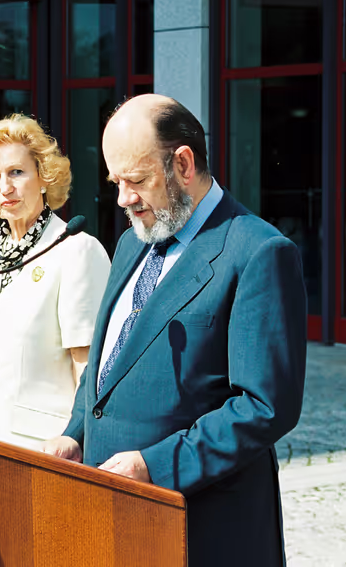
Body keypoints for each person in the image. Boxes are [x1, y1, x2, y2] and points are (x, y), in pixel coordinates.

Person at [42, 94, 307, 566]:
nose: (122, 198)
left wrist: (154, 465)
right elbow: (111, 363)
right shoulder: (130, 242)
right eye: (115, 181)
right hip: (115, 517)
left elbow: (266, 407)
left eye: (137, 180)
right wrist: (76, 433)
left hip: (200, 527)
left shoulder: (258, 251)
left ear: (183, 163)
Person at [0, 115, 110, 449]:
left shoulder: (75, 250)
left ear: (43, 177)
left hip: (43, 449)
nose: (5, 187)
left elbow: (89, 368)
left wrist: (78, 439)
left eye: (16, 172)